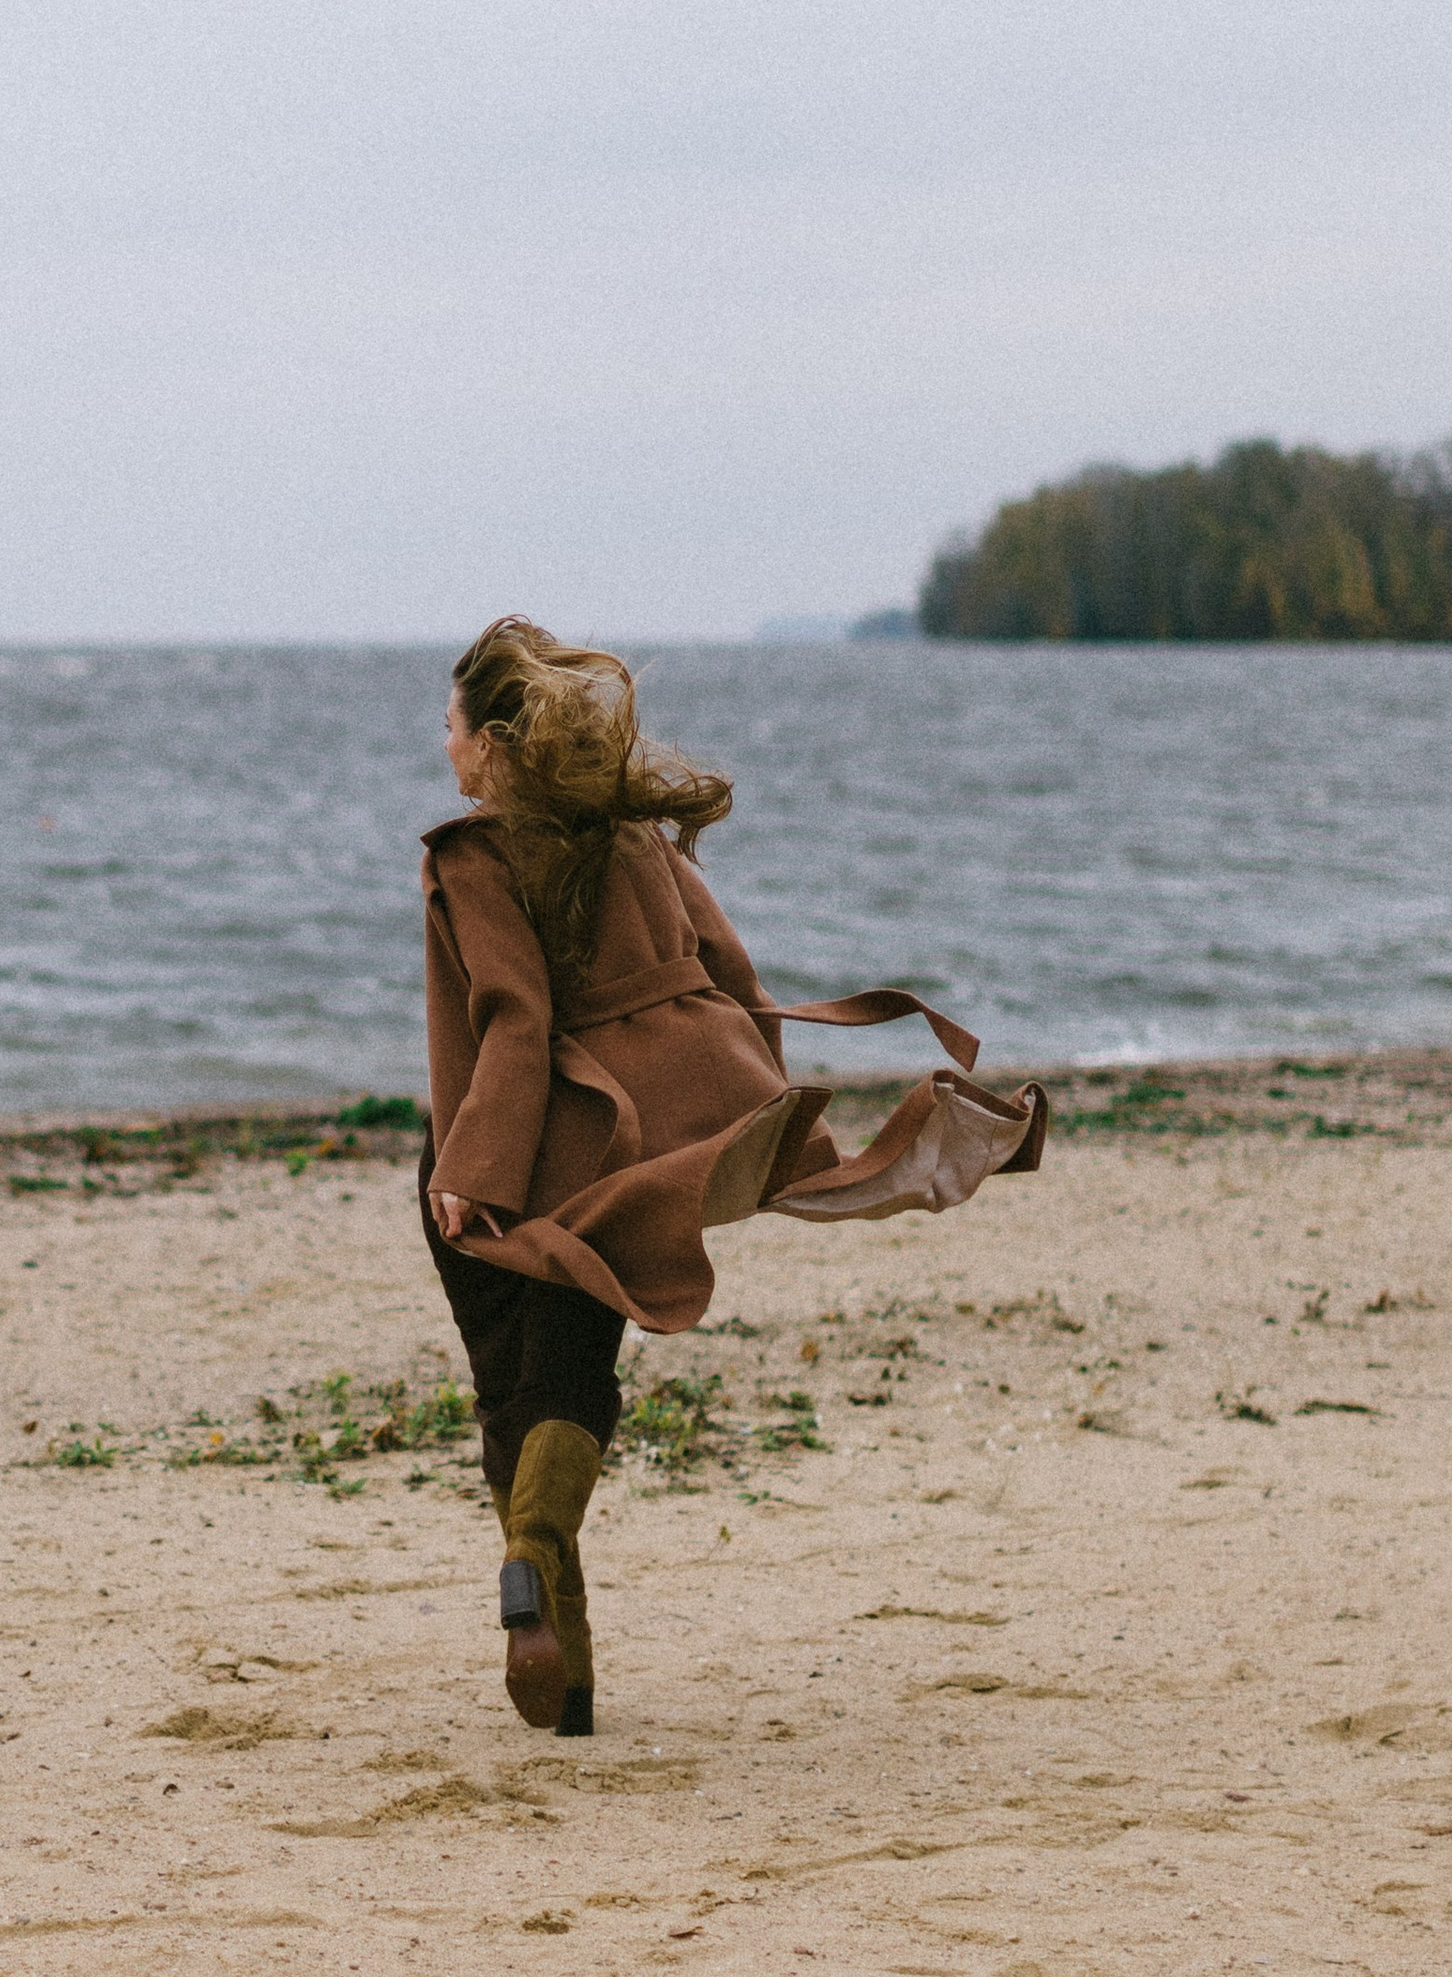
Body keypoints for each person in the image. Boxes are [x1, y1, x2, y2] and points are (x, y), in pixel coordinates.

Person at [421, 616, 1045, 1737]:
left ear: (492, 747)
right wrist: (757, 1109)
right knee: (576, 1378)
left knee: (517, 1392)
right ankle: (565, 1681)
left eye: (451, 722)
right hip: (652, 1140)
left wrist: (472, 1170)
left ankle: (531, 1582)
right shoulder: (641, 840)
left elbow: (513, 1027)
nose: (444, 741)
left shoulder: (474, 856)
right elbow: (732, 975)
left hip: (521, 1152)